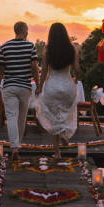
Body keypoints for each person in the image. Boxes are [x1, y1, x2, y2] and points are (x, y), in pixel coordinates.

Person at [0, 22, 40, 160]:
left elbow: (0, 71)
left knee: (12, 117)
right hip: (25, 87)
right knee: (21, 118)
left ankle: (14, 147)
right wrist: (38, 84)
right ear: (25, 31)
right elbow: (34, 67)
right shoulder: (30, 46)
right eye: (27, 30)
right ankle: (17, 145)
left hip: (9, 86)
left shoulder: (5, 47)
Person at [36, 22, 79, 159]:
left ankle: (57, 153)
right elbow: (77, 69)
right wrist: (76, 78)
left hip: (52, 86)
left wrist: (40, 87)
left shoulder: (47, 50)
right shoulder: (72, 49)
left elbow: (44, 73)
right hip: (67, 86)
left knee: (54, 117)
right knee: (65, 112)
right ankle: (64, 135)